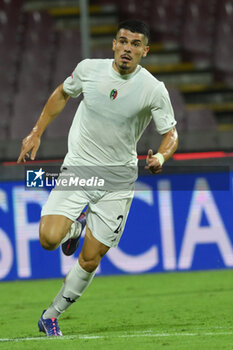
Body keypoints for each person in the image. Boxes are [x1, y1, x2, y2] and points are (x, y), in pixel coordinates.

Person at [17, 19, 178, 337]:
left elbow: (170, 134)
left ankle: (51, 316)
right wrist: (36, 131)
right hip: (79, 169)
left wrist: (160, 156)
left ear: (145, 51)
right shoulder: (89, 70)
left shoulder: (153, 90)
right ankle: (75, 229)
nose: (127, 49)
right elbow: (63, 93)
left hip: (118, 181)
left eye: (135, 44)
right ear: (114, 45)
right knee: (49, 238)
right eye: (123, 41)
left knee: (90, 259)